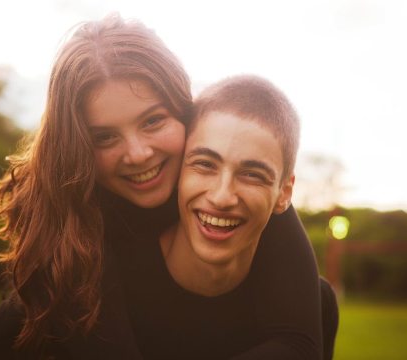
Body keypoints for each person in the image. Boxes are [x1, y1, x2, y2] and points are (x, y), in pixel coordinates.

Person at [0, 14, 336, 360]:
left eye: (153, 121)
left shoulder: (228, 186)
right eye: (104, 137)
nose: (137, 154)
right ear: (78, 147)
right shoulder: (75, 241)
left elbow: (300, 343)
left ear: (187, 113)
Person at [120, 74, 336, 360]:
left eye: (252, 175)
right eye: (205, 164)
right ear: (178, 171)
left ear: (284, 193)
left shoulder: (310, 306)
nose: (222, 197)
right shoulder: (111, 280)